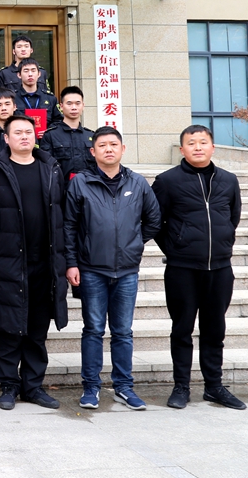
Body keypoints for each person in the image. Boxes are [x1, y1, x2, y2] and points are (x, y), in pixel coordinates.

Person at [64, 126, 161, 411]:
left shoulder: (138, 182)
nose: (108, 149)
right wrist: (71, 262)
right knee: (93, 329)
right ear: (93, 151)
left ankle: (124, 387)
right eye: (102, 145)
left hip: (127, 270)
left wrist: (133, 243)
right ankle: (91, 387)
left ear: (122, 149)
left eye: (113, 144)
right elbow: (69, 226)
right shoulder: (80, 183)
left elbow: (154, 220)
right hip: (91, 269)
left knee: (123, 331)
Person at [0, 114, 67, 411]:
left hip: (44, 263)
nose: (24, 136)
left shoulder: (51, 169)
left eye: (29, 131)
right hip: (8, 264)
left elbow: (60, 215)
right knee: (9, 329)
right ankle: (8, 385)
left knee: (37, 329)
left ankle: (33, 386)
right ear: (6, 138)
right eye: (17, 132)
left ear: (36, 135)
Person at [153, 125, 246, 410]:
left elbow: (233, 216)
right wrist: (175, 248)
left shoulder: (228, 180)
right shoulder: (167, 181)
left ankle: (214, 387)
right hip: (182, 268)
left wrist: (224, 242)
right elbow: (155, 222)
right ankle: (181, 386)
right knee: (182, 328)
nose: (197, 147)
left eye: (203, 142)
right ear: (182, 149)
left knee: (214, 329)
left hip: (220, 268)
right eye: (191, 143)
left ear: (212, 147)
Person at [40, 86, 96, 181]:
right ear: (61, 106)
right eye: (69, 104)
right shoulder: (51, 135)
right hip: (60, 187)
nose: (74, 107)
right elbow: (45, 167)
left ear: (83, 106)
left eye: (77, 103)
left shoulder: (91, 136)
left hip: (88, 187)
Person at [13, 58, 60, 129]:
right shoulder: (12, 98)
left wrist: (48, 131)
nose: (30, 74)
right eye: (26, 71)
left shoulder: (50, 98)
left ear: (39, 74)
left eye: (33, 70)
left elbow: (59, 120)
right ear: (19, 75)